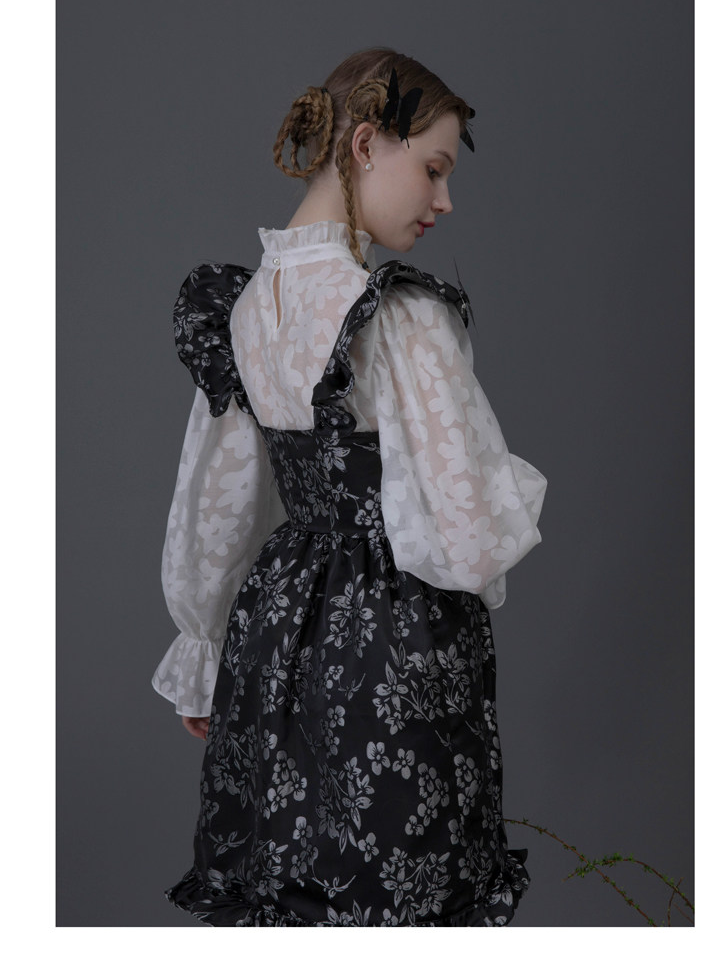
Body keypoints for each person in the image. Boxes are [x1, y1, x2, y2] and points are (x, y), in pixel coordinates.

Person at [152, 46, 547, 927]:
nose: (445, 200)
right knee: (400, 897)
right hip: (391, 642)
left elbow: (217, 505)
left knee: (292, 891)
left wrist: (206, 652)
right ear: (366, 144)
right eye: (434, 169)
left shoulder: (245, 309)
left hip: (274, 634)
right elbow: (470, 533)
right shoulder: (400, 313)